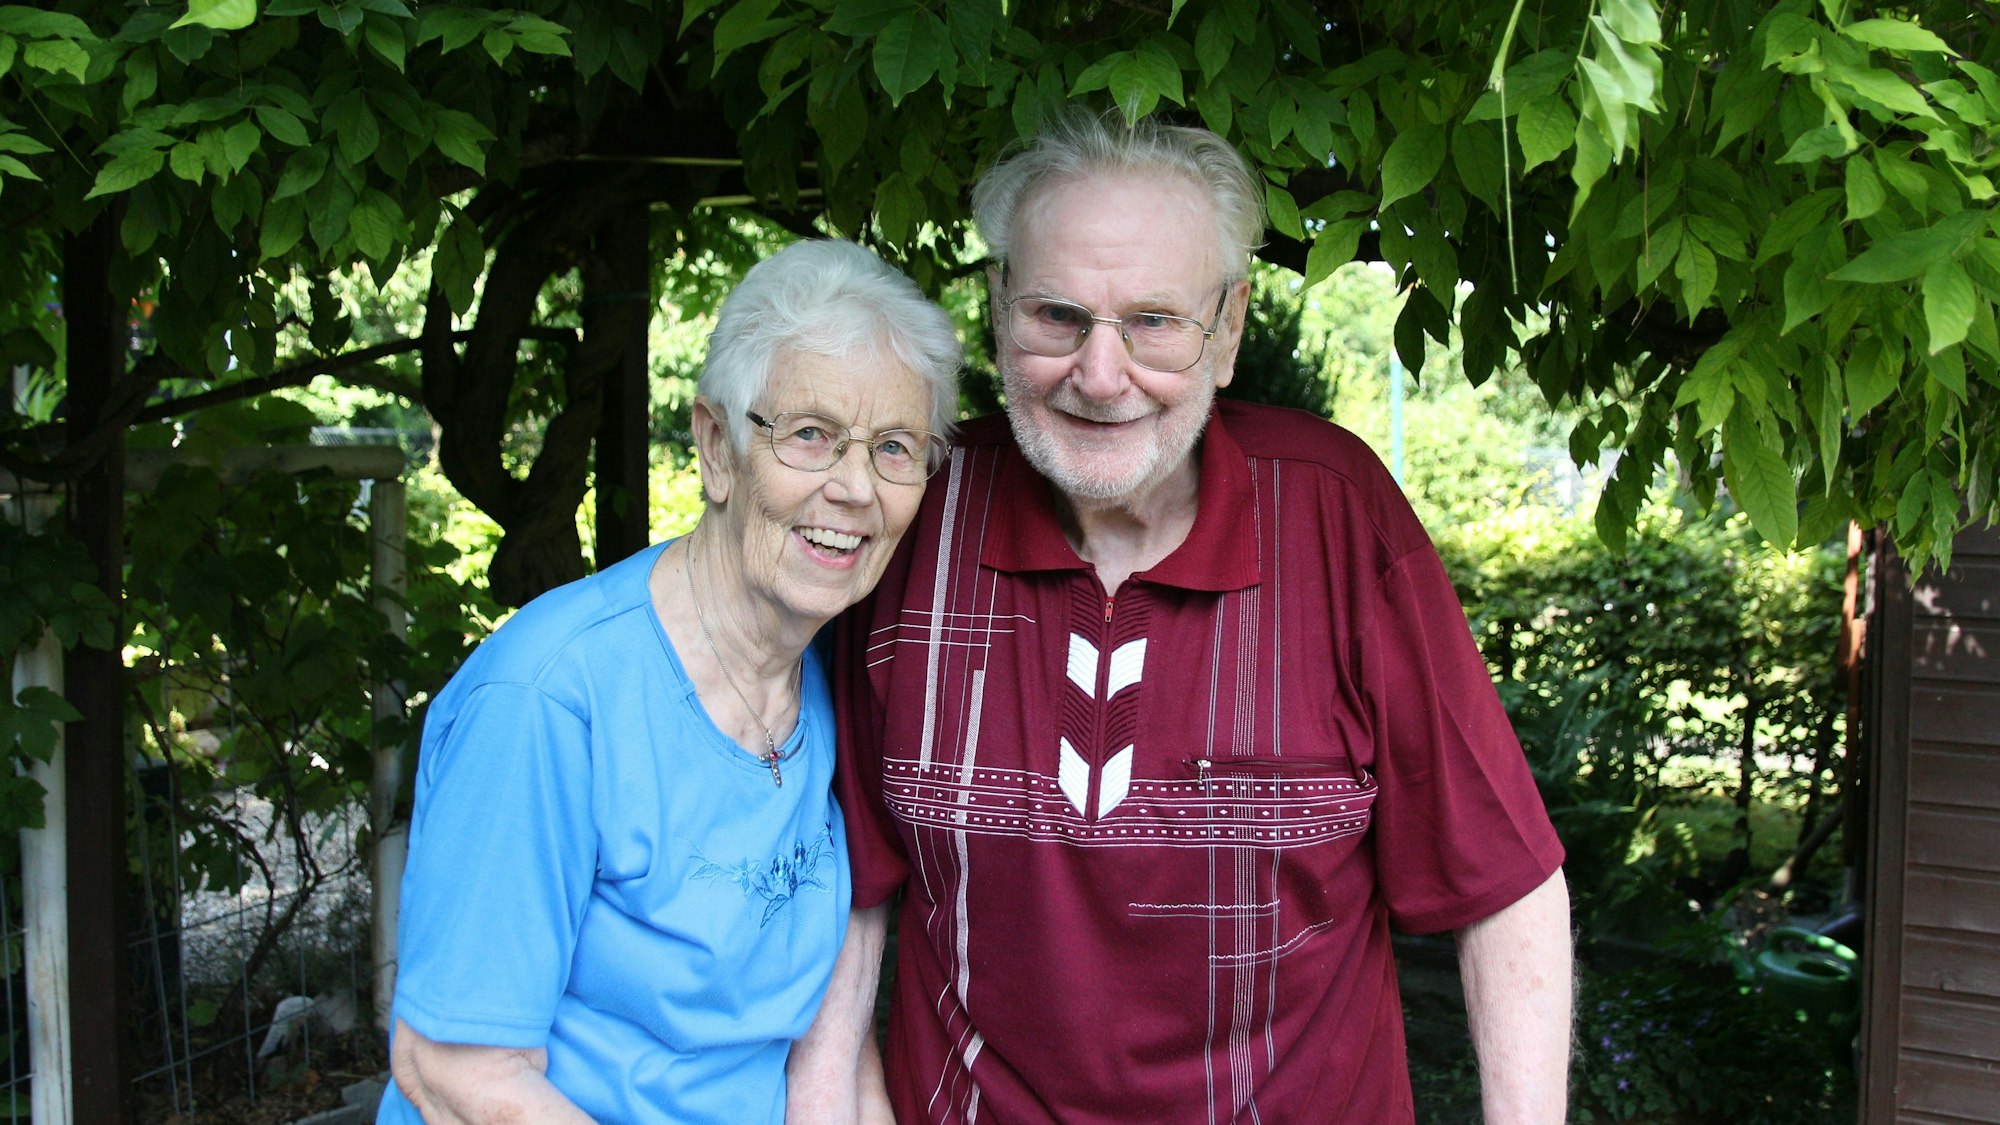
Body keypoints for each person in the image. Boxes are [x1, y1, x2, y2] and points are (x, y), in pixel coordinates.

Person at [795, 111, 1573, 1123]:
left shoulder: (1333, 513)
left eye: (1153, 321)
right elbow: (846, 887)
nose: (1100, 374)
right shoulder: (918, 512)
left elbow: (1501, 888)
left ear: (1228, 328)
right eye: (1056, 316)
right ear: (996, 309)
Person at [378, 238, 961, 1124]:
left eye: (894, 448)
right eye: (810, 434)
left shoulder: (825, 674)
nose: (854, 487)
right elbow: (455, 1068)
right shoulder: (548, 700)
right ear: (717, 446)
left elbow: (821, 1032)